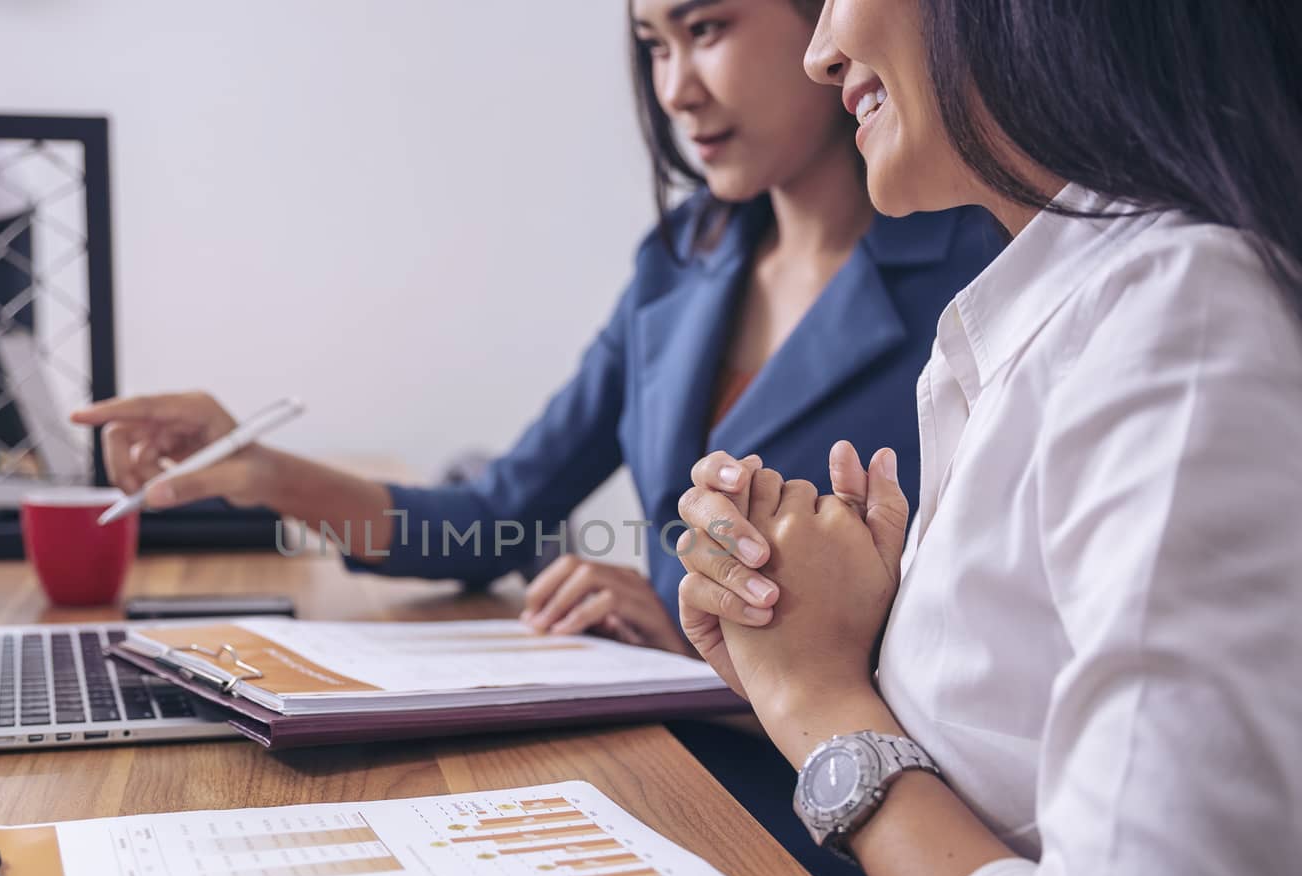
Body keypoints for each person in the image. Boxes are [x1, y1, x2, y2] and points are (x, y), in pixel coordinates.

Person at [675, 0, 1302, 876]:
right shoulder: (1039, 320)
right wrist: (815, 640)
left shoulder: (1179, 313)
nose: (823, 49)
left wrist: (820, 700)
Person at [73, 0, 999, 656]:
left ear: (827, 20)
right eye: (653, 43)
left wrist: (681, 637)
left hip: (814, 796)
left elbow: (967, 653)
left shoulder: (980, 271)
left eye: (706, 28)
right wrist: (262, 472)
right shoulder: (681, 261)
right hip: (660, 750)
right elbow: (495, 520)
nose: (675, 88)